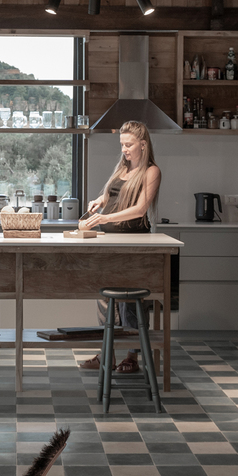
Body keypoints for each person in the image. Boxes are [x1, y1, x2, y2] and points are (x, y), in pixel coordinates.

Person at [78, 120, 161, 371]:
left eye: (129, 145)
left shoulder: (151, 172)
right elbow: (112, 195)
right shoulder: (121, 169)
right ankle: (107, 355)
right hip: (110, 241)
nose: (124, 149)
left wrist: (105, 219)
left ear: (143, 145)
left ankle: (132, 356)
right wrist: (99, 202)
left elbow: (140, 209)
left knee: (129, 301)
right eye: (122, 144)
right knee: (104, 298)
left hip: (134, 242)